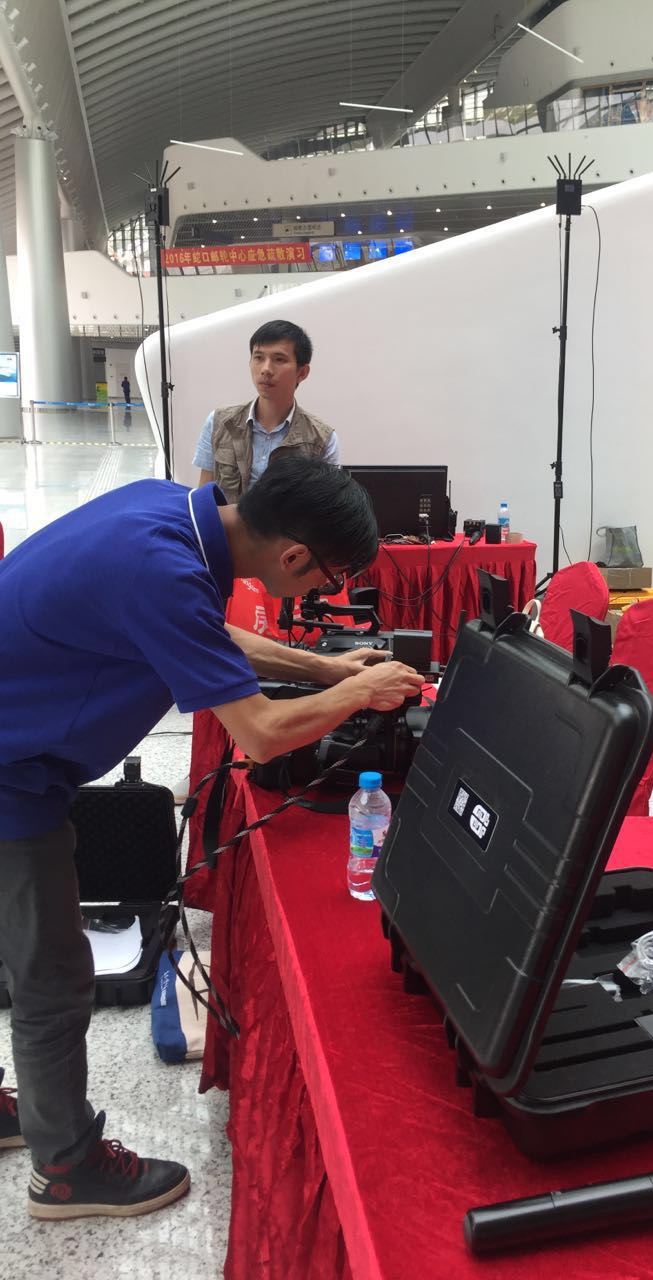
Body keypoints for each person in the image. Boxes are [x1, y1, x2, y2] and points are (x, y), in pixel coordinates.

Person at [0, 456, 423, 1221]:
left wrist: (327, 670)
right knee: (50, 978)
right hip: (10, 779)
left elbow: (206, 631)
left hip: (18, 748)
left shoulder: (165, 513)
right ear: (295, 558)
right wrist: (361, 691)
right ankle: (65, 1170)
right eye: (329, 580)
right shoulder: (161, 569)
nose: (325, 592)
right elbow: (260, 735)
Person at [193, 319, 339, 500]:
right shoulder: (219, 422)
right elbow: (204, 499)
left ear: (302, 372)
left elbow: (325, 508)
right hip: (224, 520)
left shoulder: (322, 439)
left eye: (279, 359)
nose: (266, 369)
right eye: (259, 358)